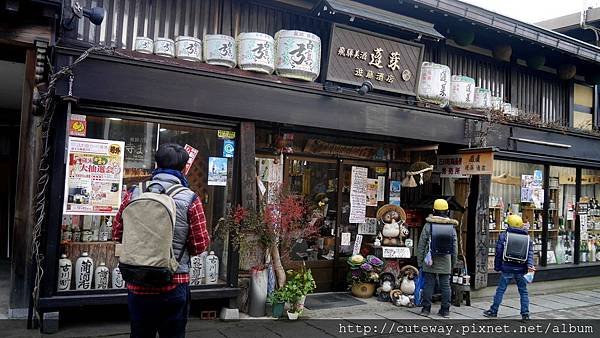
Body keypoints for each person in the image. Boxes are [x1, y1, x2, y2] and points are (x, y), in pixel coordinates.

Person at [113, 143, 210, 337]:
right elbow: (200, 244)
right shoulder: (190, 199)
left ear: (156, 164)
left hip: (137, 281)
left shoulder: (134, 193)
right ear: (184, 168)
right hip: (174, 281)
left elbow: (117, 233)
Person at [484, 214, 534, 322]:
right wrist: (529, 267)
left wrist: (497, 267)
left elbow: (499, 252)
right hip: (521, 269)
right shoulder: (527, 238)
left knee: (501, 290)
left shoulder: (504, 236)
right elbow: (529, 254)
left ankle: (493, 311)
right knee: (523, 291)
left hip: (507, 267)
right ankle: (525, 314)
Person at [416, 199, 458, 317]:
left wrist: (420, 261)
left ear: (433, 210)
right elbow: (454, 248)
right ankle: (445, 310)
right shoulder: (451, 227)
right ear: (447, 211)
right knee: (445, 285)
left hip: (430, 260)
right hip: (446, 261)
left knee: (429, 284)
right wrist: (453, 263)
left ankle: (426, 309)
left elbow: (421, 244)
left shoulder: (428, 225)